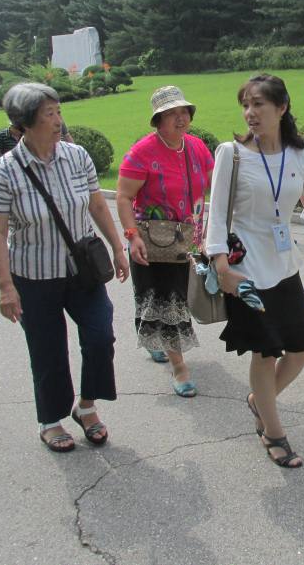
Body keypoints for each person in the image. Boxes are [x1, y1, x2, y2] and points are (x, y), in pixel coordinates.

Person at [206, 74, 304, 468]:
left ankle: (259, 401)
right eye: (245, 105)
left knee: (302, 350)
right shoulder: (230, 154)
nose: (250, 113)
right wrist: (221, 267)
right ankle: (273, 431)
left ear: (282, 108)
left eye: (258, 105)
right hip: (245, 268)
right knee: (265, 352)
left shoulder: (302, 157)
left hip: (284, 266)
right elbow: (216, 216)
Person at [0, 83, 130, 452]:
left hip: (81, 271)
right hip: (34, 276)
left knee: (100, 337)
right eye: (47, 114)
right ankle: (50, 420)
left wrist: (117, 247)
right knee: (47, 349)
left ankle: (86, 406)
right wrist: (6, 286)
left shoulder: (77, 156)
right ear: (23, 126)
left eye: (58, 111)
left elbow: (98, 206)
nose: (57, 120)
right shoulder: (5, 171)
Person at [116, 86, 214, 396]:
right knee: (162, 301)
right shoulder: (141, 152)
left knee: (174, 300)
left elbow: (215, 187)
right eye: (172, 113)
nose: (181, 117)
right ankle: (179, 366)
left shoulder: (197, 147)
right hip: (151, 242)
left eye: (184, 111)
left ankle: (162, 344)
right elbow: (123, 197)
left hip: (187, 241)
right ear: (158, 119)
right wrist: (132, 237)